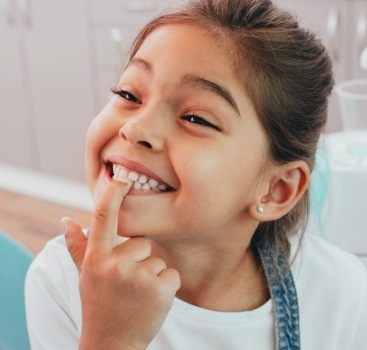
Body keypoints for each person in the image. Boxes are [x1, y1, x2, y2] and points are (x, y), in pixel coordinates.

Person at [25, 0, 367, 349]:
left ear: (276, 189)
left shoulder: (344, 298)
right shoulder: (61, 281)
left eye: (195, 118)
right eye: (129, 94)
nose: (135, 127)